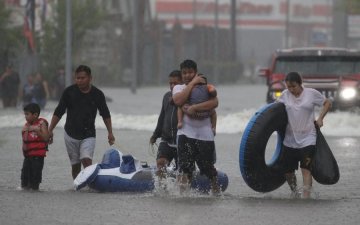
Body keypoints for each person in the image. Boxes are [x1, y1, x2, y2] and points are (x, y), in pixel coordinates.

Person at [48, 65, 115, 180]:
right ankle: (78, 186)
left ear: (90, 78)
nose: (79, 81)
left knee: (86, 160)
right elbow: (59, 112)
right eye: (77, 78)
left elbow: (105, 114)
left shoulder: (97, 94)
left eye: (82, 78)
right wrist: (50, 130)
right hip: (70, 134)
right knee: (75, 167)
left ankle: (91, 186)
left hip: (88, 135)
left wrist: (110, 132)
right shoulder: (69, 92)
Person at [277, 71, 332, 198]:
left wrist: (320, 118)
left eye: (293, 86)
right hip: (290, 139)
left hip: (308, 138)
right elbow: (274, 111)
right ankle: (295, 192)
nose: (291, 89)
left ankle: (306, 198)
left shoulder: (311, 94)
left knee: (305, 170)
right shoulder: (285, 95)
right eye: (288, 86)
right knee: (288, 172)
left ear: (300, 84)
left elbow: (327, 103)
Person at [172, 59, 220, 194]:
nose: (187, 75)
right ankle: (183, 196)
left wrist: (195, 108)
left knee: (208, 167)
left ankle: (216, 192)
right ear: (181, 74)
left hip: (205, 134)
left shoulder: (205, 87)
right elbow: (178, 101)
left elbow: (215, 102)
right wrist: (193, 83)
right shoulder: (179, 88)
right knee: (185, 167)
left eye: (190, 72)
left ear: (196, 72)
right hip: (185, 133)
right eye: (184, 73)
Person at [149, 70, 182, 184]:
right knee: (161, 164)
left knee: (181, 171)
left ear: (182, 83)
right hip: (166, 139)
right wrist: (155, 135)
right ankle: (163, 190)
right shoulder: (166, 96)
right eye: (170, 83)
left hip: (181, 140)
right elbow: (162, 117)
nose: (172, 86)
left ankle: (180, 193)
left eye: (175, 83)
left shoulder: (186, 97)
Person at [21, 103, 50, 190]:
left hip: (38, 157)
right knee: (24, 179)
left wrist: (37, 131)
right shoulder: (26, 126)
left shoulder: (42, 124)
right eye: (25, 114)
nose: (25, 116)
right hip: (28, 156)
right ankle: (25, 192)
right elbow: (25, 142)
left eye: (27, 114)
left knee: (35, 179)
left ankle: (35, 190)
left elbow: (46, 138)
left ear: (35, 115)